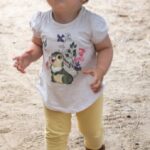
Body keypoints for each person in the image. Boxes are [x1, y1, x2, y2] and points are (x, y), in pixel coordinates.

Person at [13, 0, 113, 149]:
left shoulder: (91, 23)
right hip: (55, 92)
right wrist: (28, 56)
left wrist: (100, 70)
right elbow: (38, 44)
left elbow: (105, 48)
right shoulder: (42, 21)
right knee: (55, 135)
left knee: (92, 132)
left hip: (87, 90)